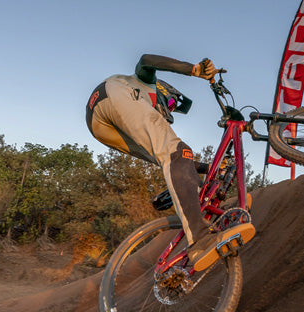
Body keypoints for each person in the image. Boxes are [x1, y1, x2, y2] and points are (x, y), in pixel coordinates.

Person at [85, 54, 254, 271]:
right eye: (171, 103)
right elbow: (146, 59)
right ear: (163, 91)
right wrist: (193, 69)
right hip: (113, 93)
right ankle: (200, 239)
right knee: (177, 152)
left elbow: (177, 161)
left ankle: (212, 214)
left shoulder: (134, 112)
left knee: (174, 158)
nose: (170, 109)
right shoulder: (145, 84)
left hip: (100, 125)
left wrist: (209, 168)